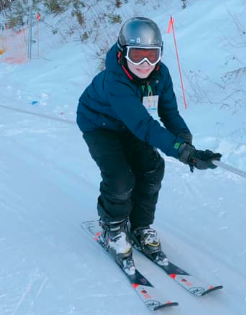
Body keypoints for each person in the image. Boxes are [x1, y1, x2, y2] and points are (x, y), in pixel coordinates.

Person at [77, 17, 221, 261]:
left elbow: (169, 113)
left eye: (151, 56)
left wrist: (187, 146)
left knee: (152, 168)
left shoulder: (161, 75)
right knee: (120, 176)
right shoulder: (116, 81)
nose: (144, 63)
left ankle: (140, 226)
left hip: (129, 125)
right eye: (137, 55)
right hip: (98, 125)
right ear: (123, 53)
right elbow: (144, 125)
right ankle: (113, 227)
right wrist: (182, 152)